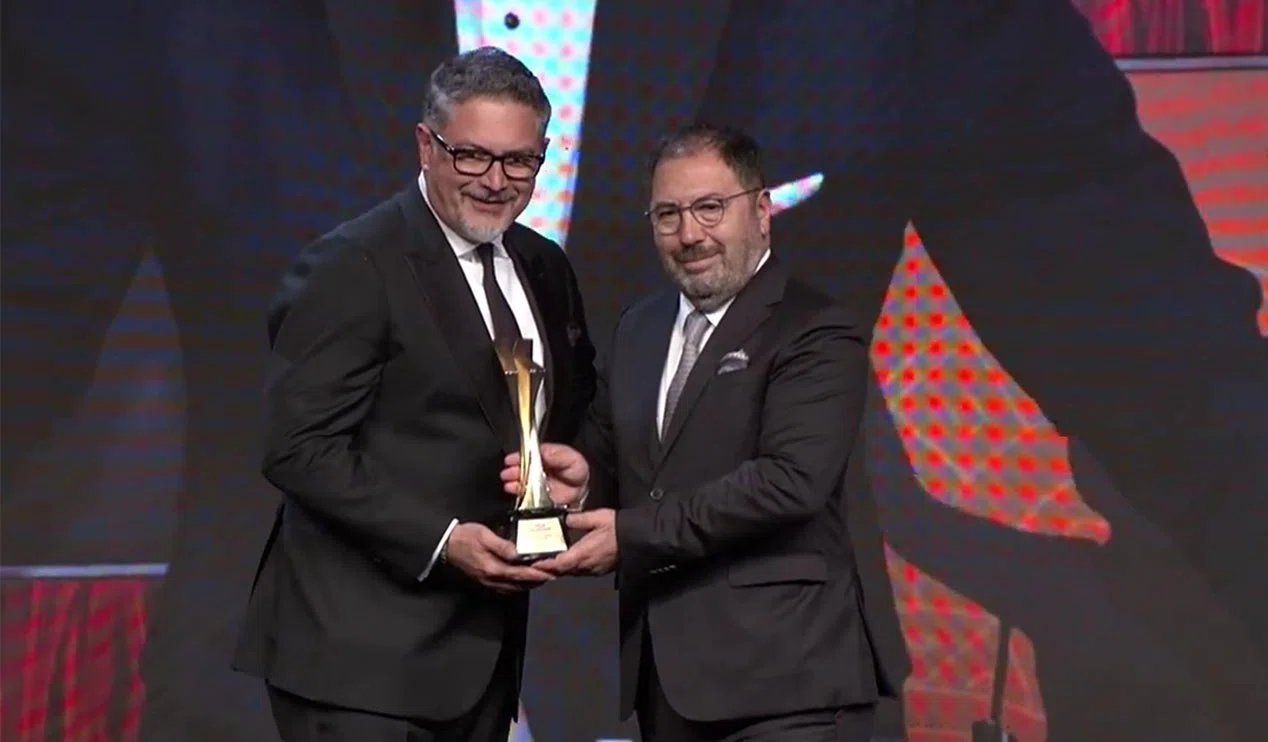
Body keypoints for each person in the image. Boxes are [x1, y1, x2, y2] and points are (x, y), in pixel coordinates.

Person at [230, 47, 597, 742]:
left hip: (483, 662)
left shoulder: (544, 266)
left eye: (519, 161)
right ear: (426, 146)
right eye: (473, 156)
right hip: (355, 665)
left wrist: (578, 473)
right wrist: (443, 541)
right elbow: (297, 448)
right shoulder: (354, 263)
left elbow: (575, 410)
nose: (496, 181)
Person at [503, 123, 911, 742]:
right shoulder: (639, 328)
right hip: (667, 687)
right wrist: (582, 484)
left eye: (710, 209)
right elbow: (626, 465)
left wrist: (631, 535)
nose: (689, 234)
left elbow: (789, 483)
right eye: (668, 215)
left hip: (788, 684)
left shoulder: (815, 330)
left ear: (762, 211)